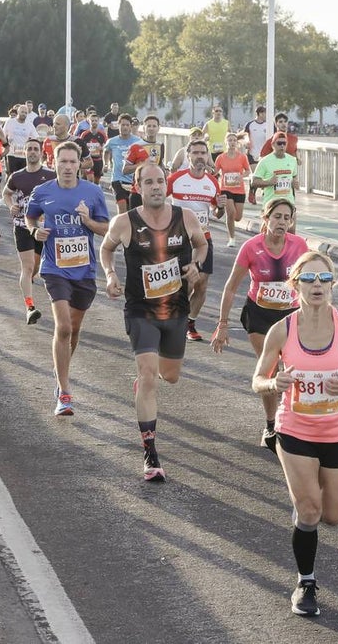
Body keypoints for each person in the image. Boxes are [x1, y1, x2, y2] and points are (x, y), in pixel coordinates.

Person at [251, 251, 338, 617]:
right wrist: (275, 381)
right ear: (296, 285)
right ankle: (305, 582)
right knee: (310, 510)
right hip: (294, 430)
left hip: (337, 431)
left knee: (333, 515)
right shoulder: (283, 330)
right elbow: (257, 380)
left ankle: (306, 519)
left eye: (324, 279)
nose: (317, 285)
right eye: (308, 279)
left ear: (333, 284)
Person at [100, 162, 208, 481]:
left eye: (160, 181)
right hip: (140, 310)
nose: (156, 187)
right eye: (149, 182)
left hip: (175, 310)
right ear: (139, 188)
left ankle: (145, 383)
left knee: (169, 376)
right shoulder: (125, 222)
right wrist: (109, 275)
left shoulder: (184, 217)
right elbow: (106, 249)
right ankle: (150, 454)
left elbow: (201, 244)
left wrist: (196, 266)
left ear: (166, 185)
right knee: (148, 374)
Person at [213, 198, 309, 449]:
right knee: (270, 369)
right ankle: (271, 425)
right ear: (266, 219)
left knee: (291, 370)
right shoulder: (251, 247)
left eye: (287, 218)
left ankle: (289, 420)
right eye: (277, 216)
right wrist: (222, 324)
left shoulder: (299, 245)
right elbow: (231, 287)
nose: (282, 222)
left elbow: (311, 281)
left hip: (290, 316)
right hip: (259, 315)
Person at [25, 141, 110, 415]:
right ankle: (64, 392)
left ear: (80, 164)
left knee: (73, 329)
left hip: (84, 270)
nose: (68, 167)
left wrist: (87, 220)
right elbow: (31, 218)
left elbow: (105, 229)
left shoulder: (93, 192)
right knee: (62, 328)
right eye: (63, 161)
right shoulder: (42, 191)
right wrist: (34, 230)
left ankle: (60, 370)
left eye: (73, 162)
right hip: (55, 268)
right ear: (55, 162)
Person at [167, 139, 228, 342]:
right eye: (196, 153)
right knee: (185, 284)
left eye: (203, 153)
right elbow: (155, 202)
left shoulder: (212, 182)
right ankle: (173, 318)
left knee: (201, 283)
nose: (200, 156)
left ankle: (189, 323)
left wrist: (220, 207)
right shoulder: (175, 179)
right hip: (179, 239)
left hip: (203, 238)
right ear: (188, 156)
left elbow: (217, 213)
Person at [3, 138, 56, 325]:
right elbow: (6, 193)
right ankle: (30, 307)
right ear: (24, 152)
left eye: (35, 149)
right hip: (22, 226)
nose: (32, 152)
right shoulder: (17, 176)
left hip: (45, 228)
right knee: (27, 267)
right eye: (29, 149)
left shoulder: (51, 175)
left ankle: (32, 282)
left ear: (41, 153)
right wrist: (11, 206)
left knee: (37, 268)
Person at [214, 132, 251, 246]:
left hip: (239, 189)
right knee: (231, 213)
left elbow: (248, 171)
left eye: (234, 140)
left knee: (238, 217)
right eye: (230, 140)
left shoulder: (242, 157)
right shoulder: (221, 158)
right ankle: (232, 239)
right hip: (226, 189)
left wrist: (242, 176)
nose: (232, 143)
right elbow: (214, 172)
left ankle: (221, 213)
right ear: (226, 143)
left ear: (237, 143)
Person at [124, 115, 167, 209]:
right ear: (143, 128)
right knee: (136, 223)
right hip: (138, 192)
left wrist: (165, 173)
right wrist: (142, 165)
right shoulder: (136, 146)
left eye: (154, 126)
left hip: (155, 193)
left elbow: (160, 164)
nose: (151, 129)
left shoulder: (161, 145)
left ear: (158, 128)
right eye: (148, 126)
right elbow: (125, 170)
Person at [104, 115, 144, 214]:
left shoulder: (138, 142)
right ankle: (121, 228)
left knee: (133, 210)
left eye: (127, 125)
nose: (125, 127)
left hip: (133, 180)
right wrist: (106, 164)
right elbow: (106, 151)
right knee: (122, 208)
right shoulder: (112, 141)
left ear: (131, 126)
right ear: (118, 126)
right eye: (122, 125)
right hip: (117, 179)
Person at [251, 132, 299, 209]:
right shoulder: (265, 161)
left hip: (288, 202)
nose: (282, 146)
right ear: (273, 145)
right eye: (279, 143)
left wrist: (295, 183)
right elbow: (254, 182)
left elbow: (294, 177)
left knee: (293, 220)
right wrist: (269, 182)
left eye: (284, 143)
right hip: (271, 203)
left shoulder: (292, 160)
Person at [3, 103, 37, 174]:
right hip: (12, 154)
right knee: (12, 175)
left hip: (23, 155)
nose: (24, 114)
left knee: (23, 175)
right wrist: (6, 143)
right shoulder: (10, 122)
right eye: (22, 112)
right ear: (18, 112)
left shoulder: (29, 125)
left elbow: (36, 137)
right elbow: (2, 135)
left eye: (25, 113)